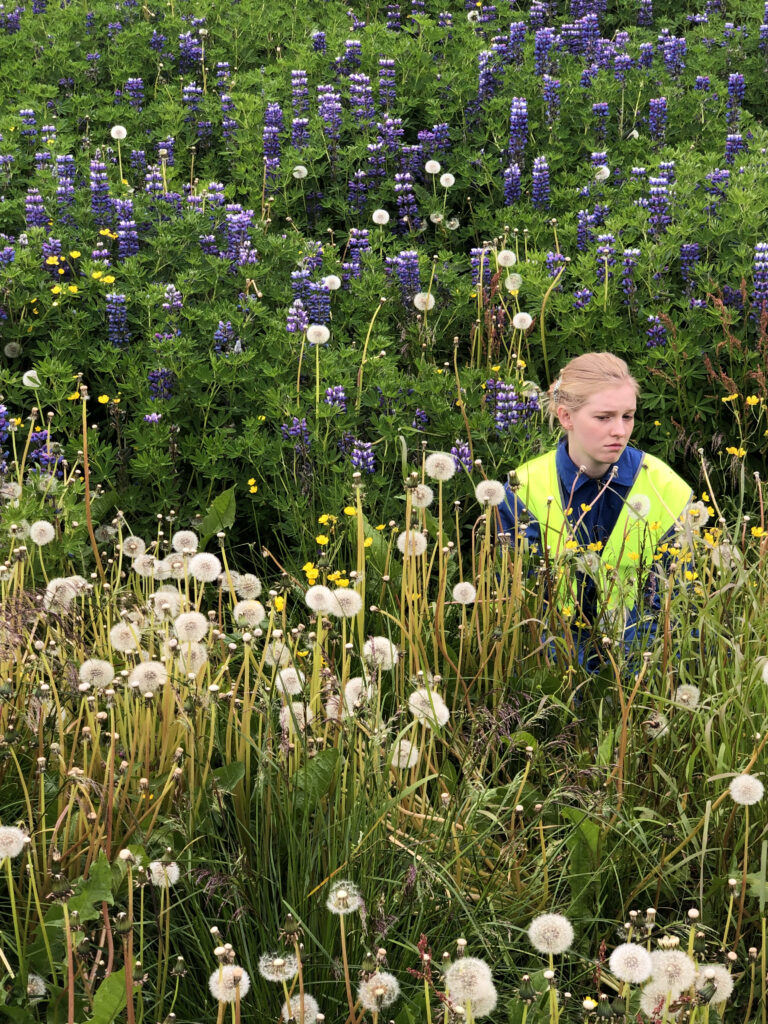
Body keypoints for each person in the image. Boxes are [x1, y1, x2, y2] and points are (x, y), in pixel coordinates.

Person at [498, 352, 693, 669]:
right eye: (604, 417)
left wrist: (629, 675)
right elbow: (519, 602)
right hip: (550, 665)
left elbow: (676, 604)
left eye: (627, 416)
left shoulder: (665, 488)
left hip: (641, 662)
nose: (619, 430)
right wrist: (570, 679)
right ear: (566, 417)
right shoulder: (522, 489)